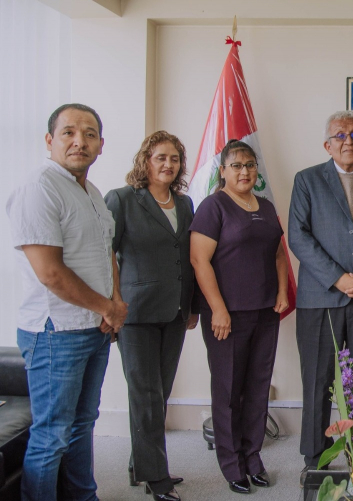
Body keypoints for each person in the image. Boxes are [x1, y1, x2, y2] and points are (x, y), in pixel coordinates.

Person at [6, 103, 128, 501]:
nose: (80, 141)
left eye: (90, 134)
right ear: (50, 140)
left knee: (82, 424)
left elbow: (105, 252)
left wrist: (116, 300)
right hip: (55, 332)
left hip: (93, 327)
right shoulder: (39, 187)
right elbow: (50, 273)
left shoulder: (91, 192)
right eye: (69, 132)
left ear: (101, 144)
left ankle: (82, 497)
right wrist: (107, 307)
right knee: (52, 434)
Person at [288, 110, 353, 482]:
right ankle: (314, 457)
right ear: (327, 144)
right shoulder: (307, 181)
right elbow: (298, 236)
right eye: (340, 135)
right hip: (321, 298)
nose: (348, 141)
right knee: (318, 380)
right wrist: (338, 278)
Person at [189, 139, 289, 494]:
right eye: (236, 166)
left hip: (265, 312)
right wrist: (217, 308)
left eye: (249, 165)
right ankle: (231, 465)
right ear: (223, 171)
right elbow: (199, 261)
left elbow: (279, 254)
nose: (244, 171)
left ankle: (253, 458)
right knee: (229, 390)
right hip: (226, 316)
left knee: (257, 388)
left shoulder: (264, 206)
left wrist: (281, 292)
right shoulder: (213, 207)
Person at [104, 131, 197, 501]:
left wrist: (192, 307)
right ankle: (156, 478)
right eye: (160, 157)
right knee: (144, 394)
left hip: (175, 310)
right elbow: (105, 253)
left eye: (174, 158)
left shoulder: (186, 203)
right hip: (135, 313)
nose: (168, 164)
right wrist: (111, 303)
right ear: (145, 161)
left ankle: (138, 464)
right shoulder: (123, 200)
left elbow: (188, 258)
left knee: (160, 392)